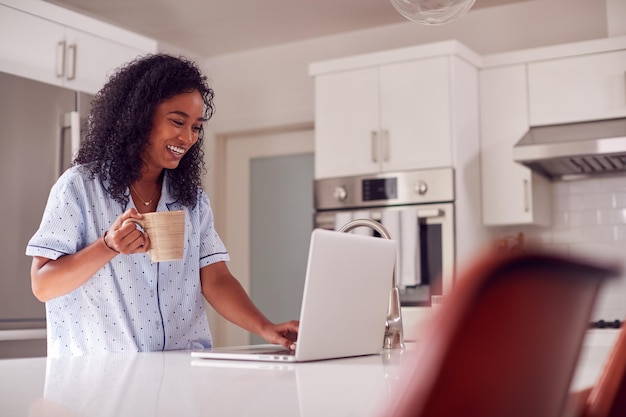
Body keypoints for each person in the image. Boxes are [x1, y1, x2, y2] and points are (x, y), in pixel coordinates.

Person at [26, 54, 299, 357]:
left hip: (180, 377)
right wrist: (108, 246)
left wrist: (265, 328)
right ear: (140, 117)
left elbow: (216, 278)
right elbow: (43, 285)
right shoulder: (80, 187)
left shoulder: (191, 201)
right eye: (178, 121)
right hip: (101, 384)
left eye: (196, 127)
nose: (188, 137)